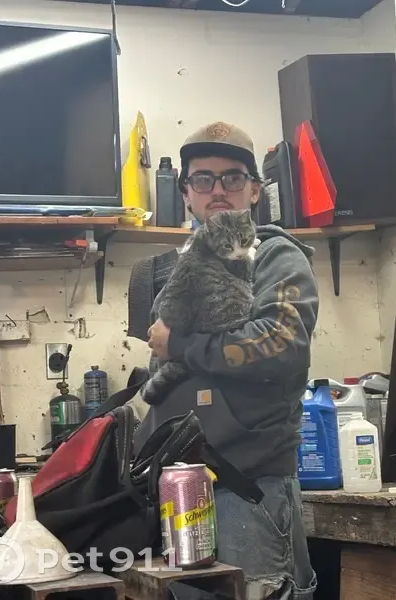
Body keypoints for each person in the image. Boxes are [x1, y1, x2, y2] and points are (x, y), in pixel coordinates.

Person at [134, 121, 319, 600]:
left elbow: (281, 344)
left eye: (232, 178)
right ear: (186, 193)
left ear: (254, 190)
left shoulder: (275, 256)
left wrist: (181, 345)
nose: (217, 190)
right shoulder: (174, 267)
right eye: (203, 179)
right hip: (177, 488)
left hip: (248, 488)